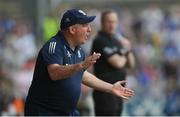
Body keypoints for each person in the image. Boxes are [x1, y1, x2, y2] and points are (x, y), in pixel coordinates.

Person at [24, 9, 134, 116]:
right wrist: (81, 66)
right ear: (72, 30)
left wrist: (111, 88)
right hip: (44, 112)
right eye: (85, 25)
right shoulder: (54, 46)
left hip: (67, 113)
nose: (89, 29)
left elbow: (82, 75)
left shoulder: (79, 51)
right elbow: (54, 72)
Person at [91, 10, 135, 116]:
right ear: (102, 23)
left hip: (118, 92)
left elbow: (132, 64)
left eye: (114, 22)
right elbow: (118, 63)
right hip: (105, 93)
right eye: (109, 22)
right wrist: (125, 49)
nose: (112, 25)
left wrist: (127, 49)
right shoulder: (100, 40)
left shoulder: (116, 40)